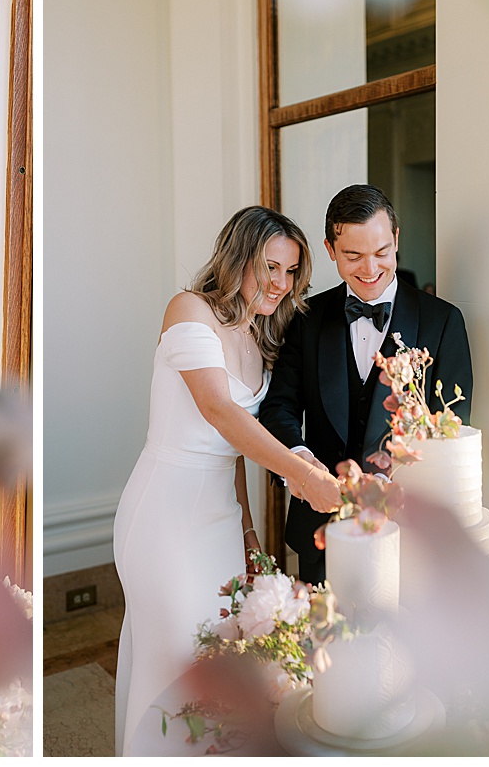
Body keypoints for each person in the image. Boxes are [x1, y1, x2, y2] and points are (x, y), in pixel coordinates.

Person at [112, 206, 342, 757]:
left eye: (290, 273)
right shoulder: (188, 309)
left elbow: (234, 451)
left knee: (217, 657)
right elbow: (218, 410)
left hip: (218, 518)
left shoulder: (257, 337)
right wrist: (303, 476)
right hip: (164, 515)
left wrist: (247, 530)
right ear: (237, 257)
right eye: (270, 266)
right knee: (174, 658)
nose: (280, 284)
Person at [260, 184, 473, 584]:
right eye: (353, 256)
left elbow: (451, 424)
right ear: (329, 249)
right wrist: (302, 466)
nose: (370, 269)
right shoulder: (305, 318)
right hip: (320, 525)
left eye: (381, 253)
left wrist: (388, 481)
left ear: (396, 240)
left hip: (408, 531)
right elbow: (279, 407)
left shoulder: (442, 322)